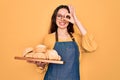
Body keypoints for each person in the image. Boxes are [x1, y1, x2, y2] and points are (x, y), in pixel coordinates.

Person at [29, 5, 97, 80]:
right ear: (55, 18)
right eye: (59, 16)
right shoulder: (48, 38)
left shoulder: (77, 38)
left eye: (66, 16)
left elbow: (92, 47)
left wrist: (77, 22)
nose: (62, 19)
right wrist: (40, 65)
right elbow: (43, 66)